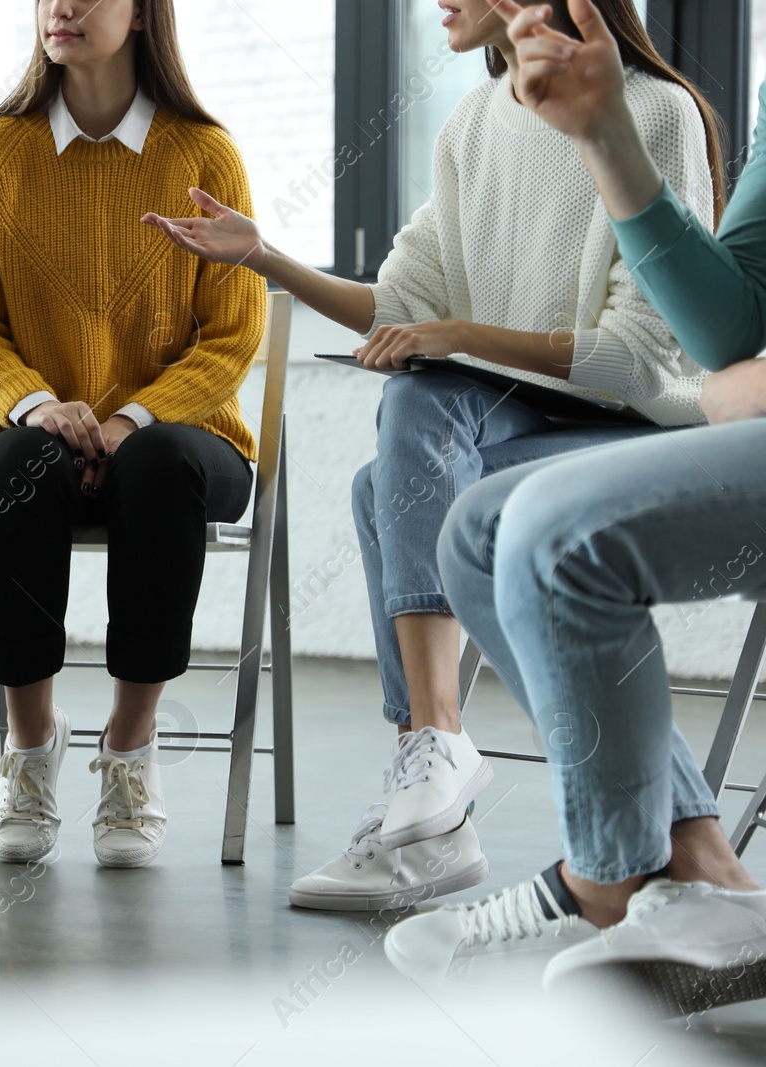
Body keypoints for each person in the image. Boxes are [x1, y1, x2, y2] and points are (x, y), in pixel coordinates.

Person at [143, 0, 722, 909]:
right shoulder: (471, 123)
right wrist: (263, 256)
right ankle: (438, 771)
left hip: (629, 427)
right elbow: (399, 301)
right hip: (516, 418)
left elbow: (638, 358)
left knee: (392, 476)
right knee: (401, 444)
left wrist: (452, 334)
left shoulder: (653, 112)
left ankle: (435, 777)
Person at [384, 0, 766, 1016]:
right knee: (480, 523)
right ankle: (697, 874)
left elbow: (657, 361)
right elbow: (732, 332)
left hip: (648, 415)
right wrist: (602, 139)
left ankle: (605, 886)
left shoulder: (669, 106)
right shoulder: (481, 125)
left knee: (546, 533)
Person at [0, 0, 266, 869]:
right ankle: (32, 745)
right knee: (13, 461)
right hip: (43, 428)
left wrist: (134, 415)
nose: (63, 7)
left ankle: (129, 748)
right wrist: (38, 402)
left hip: (186, 439)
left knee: (157, 464)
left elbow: (232, 336)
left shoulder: (203, 153)